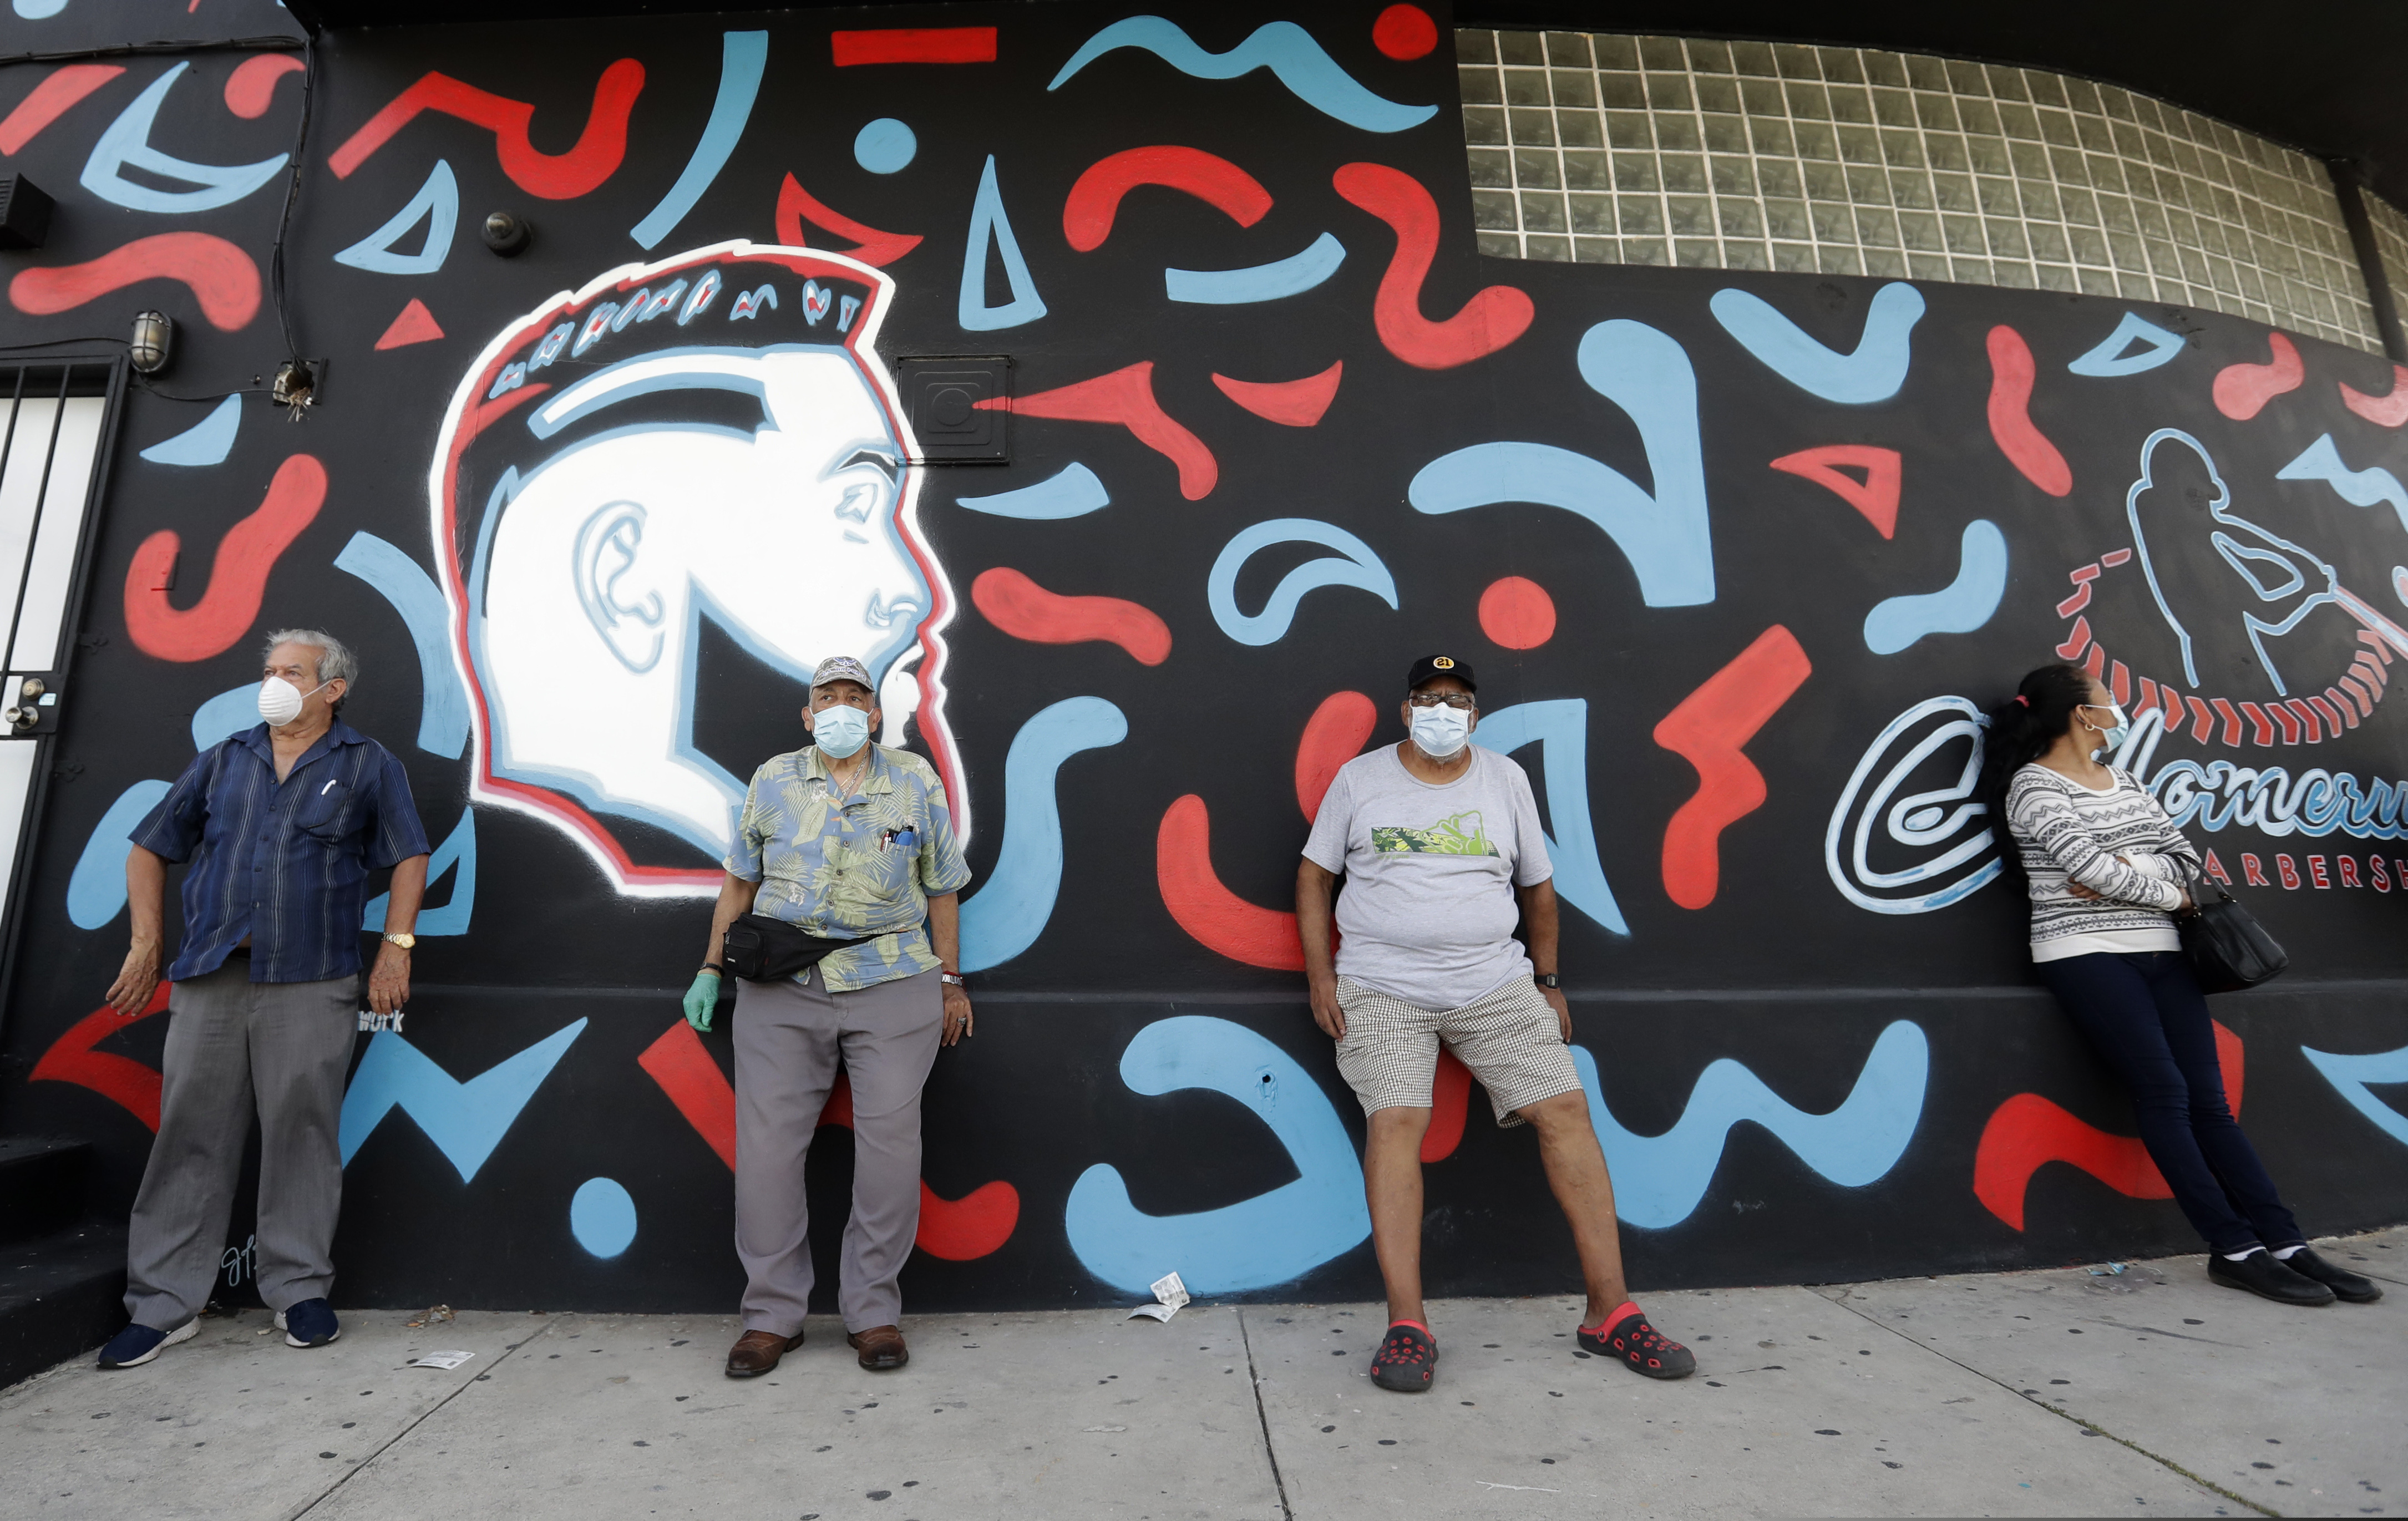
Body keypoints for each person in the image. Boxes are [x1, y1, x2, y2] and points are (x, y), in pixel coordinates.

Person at [1296, 655, 1695, 1393]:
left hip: (1493, 981)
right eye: (1428, 699)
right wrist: (1321, 975)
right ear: (1406, 709)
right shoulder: (1359, 779)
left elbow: (1537, 887)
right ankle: (1408, 1325)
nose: (1442, 712)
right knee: (1397, 1120)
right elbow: (1315, 876)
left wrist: (1547, 980)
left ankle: (1610, 1312)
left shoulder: (1505, 779)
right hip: (1381, 986)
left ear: (1475, 716)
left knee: (1565, 1108)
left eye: (1457, 701)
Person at [1980, 662, 2379, 1307]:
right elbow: (2090, 870)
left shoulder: (2127, 781)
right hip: (2086, 953)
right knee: (2164, 1093)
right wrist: (2174, 896)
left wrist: (2138, 869)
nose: (2117, 708)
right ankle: (2234, 1249)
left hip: (2164, 952)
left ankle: (2286, 1243)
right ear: (2083, 714)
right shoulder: (2035, 786)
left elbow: (2186, 859)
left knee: (2210, 1102)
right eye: (2107, 698)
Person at [97, 631, 431, 1369]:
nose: (274, 682)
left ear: (332, 689)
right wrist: (147, 943)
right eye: (270, 670)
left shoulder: (368, 763)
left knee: (302, 1131)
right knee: (189, 1132)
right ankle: (163, 1305)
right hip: (213, 972)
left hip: (313, 977)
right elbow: (150, 846)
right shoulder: (223, 758)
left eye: (293, 672)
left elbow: (409, 854)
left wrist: (396, 947)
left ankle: (299, 1290)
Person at [685, 656, 974, 1379]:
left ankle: (872, 1311)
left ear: (874, 714)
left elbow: (942, 887)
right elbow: (740, 882)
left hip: (893, 978)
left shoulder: (914, 779)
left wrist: (950, 980)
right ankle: (770, 1316)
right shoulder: (774, 779)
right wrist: (710, 967)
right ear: (808, 714)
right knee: (767, 1153)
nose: (841, 708)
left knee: (891, 1151)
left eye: (855, 697)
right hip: (782, 987)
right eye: (828, 697)